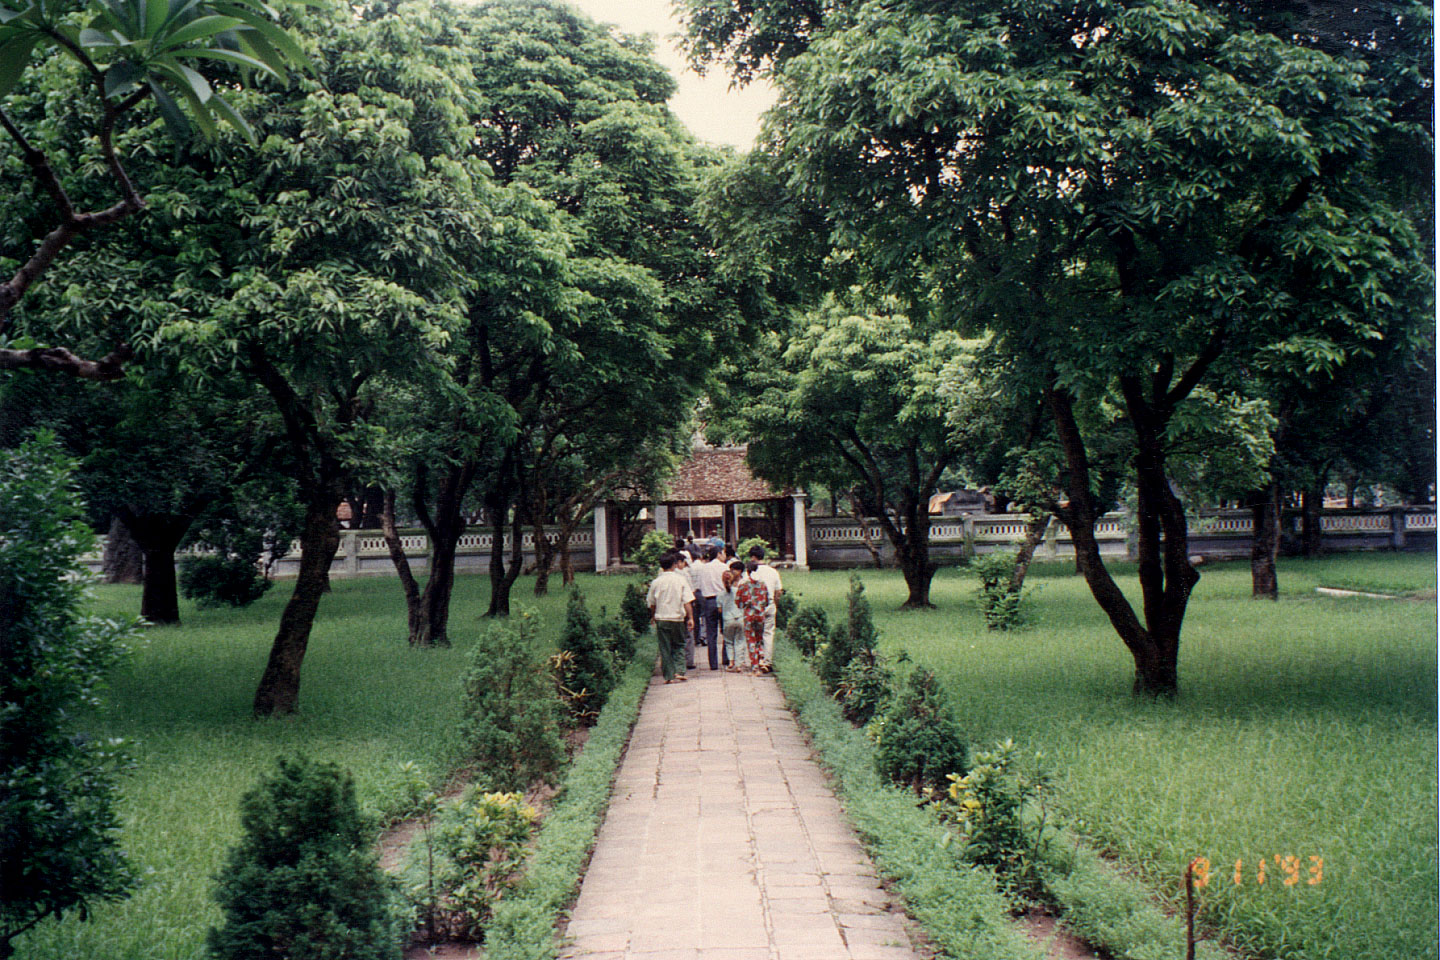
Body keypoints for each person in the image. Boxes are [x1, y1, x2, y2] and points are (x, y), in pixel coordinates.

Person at [646, 551, 694, 684]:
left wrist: (653, 616)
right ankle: (679, 670)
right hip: (677, 617)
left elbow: (651, 603)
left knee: (665, 647)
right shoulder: (680, 580)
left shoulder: (656, 582)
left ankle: (668, 675)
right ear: (674, 565)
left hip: (662, 618)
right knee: (679, 644)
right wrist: (690, 618)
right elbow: (687, 601)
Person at [692, 545, 727, 669]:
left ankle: (713, 663)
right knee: (725, 631)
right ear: (718, 554)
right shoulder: (724, 567)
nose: (725, 556)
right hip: (723, 600)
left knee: (711, 633)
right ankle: (726, 659)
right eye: (723, 553)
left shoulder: (704, 568)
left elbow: (700, 585)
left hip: (709, 601)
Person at [748, 545, 783, 667]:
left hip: (755, 607)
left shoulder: (751, 572)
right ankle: (767, 662)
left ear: (753, 557)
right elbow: (778, 591)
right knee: (768, 634)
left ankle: (757, 661)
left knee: (755, 634)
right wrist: (775, 604)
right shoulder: (773, 571)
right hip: (770, 604)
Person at [735, 560, 770, 673]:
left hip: (749, 616)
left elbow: (738, 601)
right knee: (760, 639)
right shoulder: (763, 584)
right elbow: (767, 600)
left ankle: (755, 666)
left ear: (747, 571)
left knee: (751, 640)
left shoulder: (743, 584)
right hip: (760, 615)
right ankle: (761, 661)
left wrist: (744, 605)